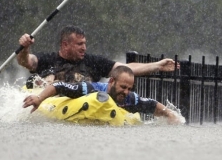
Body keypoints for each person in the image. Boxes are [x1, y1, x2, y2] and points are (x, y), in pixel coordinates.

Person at [17, 25, 178, 85]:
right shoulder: (48, 59)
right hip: (54, 106)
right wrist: (24, 48)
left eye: (85, 43)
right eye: (79, 44)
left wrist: (157, 65)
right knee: (47, 79)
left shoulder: (93, 62)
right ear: (65, 45)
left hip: (85, 106)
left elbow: (125, 68)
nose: (84, 48)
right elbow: (26, 62)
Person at [23, 65, 183, 124]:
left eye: (129, 88)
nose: (126, 92)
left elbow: (152, 104)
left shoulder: (129, 97)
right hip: (69, 107)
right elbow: (59, 86)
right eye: (123, 87)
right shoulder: (90, 88)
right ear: (111, 81)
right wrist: (39, 98)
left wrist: (169, 114)